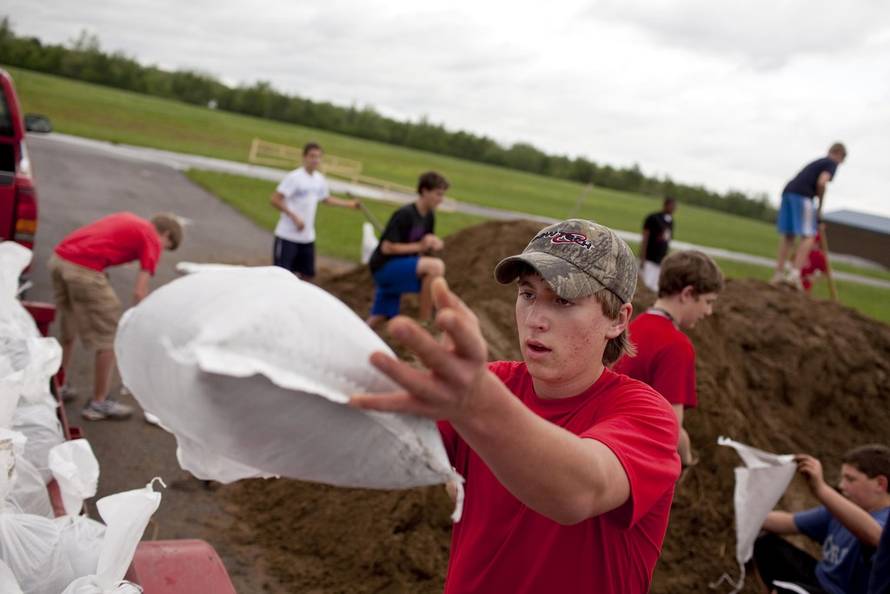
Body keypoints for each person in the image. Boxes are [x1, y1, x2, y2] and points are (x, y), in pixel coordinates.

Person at [352, 219, 681, 593]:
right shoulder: (492, 386)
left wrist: (477, 405)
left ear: (617, 319)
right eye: (527, 295)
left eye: (563, 300)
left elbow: (578, 492)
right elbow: (376, 441)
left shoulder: (645, 414)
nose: (536, 320)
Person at [49, 212, 183, 420]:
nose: (161, 250)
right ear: (165, 234)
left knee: (70, 326)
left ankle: (59, 384)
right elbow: (140, 290)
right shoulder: (151, 238)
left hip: (60, 260)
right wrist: (141, 321)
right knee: (110, 336)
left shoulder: (130, 220)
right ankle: (98, 403)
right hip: (84, 270)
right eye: (166, 246)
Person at [613, 250, 723, 467]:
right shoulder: (677, 345)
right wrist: (687, 458)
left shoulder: (634, 325)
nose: (709, 311)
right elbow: (671, 428)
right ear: (688, 294)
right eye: (708, 301)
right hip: (633, 455)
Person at [754, 444, 890, 594]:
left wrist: (821, 489)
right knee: (764, 543)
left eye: (851, 480)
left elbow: (878, 537)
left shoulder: (886, 519)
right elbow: (788, 521)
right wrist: (750, 514)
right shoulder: (838, 512)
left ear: (880, 484)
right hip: (818, 579)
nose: (841, 486)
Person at [365, 171, 447, 329]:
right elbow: (387, 248)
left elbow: (423, 247)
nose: (441, 200)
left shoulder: (429, 216)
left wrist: (433, 243)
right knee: (435, 267)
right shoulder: (405, 214)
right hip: (384, 268)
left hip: (401, 267)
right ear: (424, 191)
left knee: (379, 316)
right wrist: (420, 246)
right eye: (438, 194)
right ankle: (424, 322)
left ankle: (358, 338)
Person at [270, 141, 359, 281]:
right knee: (281, 276)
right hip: (287, 236)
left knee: (307, 275)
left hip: (307, 237)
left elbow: (325, 198)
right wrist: (294, 217)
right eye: (312, 156)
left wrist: (349, 204)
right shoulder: (294, 177)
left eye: (318, 157)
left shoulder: (319, 179)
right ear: (304, 157)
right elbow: (275, 199)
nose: (315, 160)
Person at [773, 143, 847, 289]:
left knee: (789, 235)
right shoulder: (831, 163)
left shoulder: (818, 162)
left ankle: (779, 273)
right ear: (840, 155)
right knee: (809, 235)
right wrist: (819, 207)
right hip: (803, 196)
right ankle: (794, 275)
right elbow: (822, 182)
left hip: (789, 191)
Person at [639, 197, 676, 292]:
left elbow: (667, 241)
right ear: (666, 205)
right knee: (645, 284)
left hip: (661, 259)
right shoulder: (653, 218)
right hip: (650, 257)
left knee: (655, 287)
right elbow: (645, 238)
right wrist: (642, 257)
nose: (674, 208)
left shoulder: (671, 221)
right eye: (672, 206)